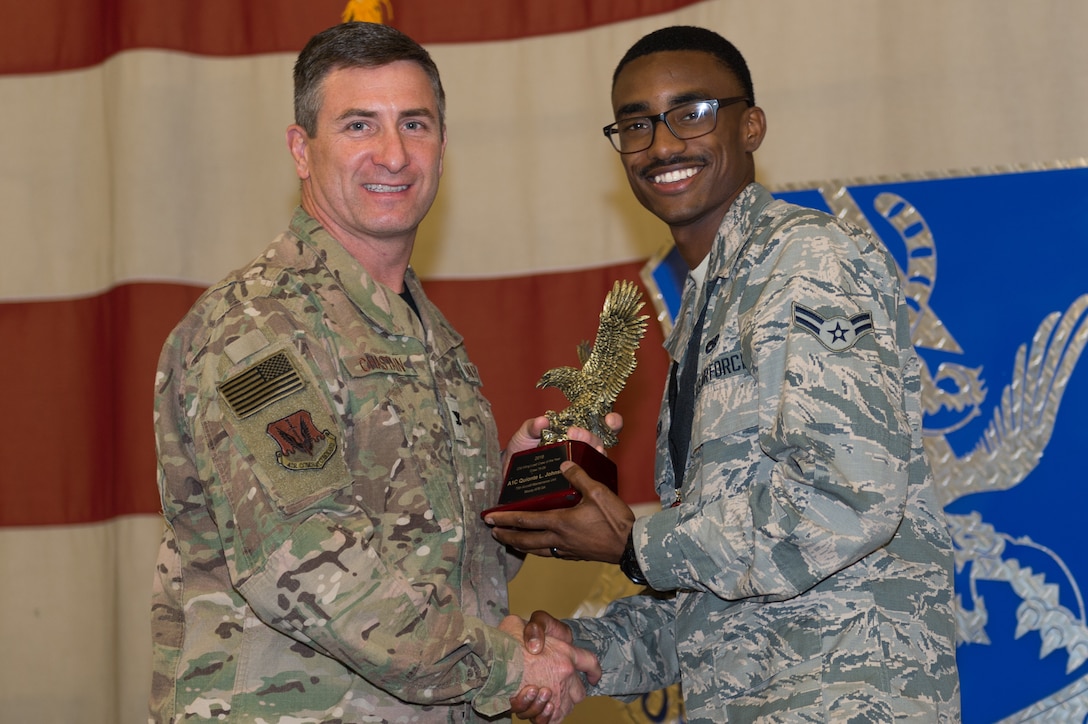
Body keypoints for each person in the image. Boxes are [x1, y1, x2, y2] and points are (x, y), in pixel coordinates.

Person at [487, 25, 961, 722]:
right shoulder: (708, 306)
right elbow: (721, 596)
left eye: (692, 113)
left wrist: (634, 544)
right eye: (636, 124)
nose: (662, 144)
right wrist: (586, 651)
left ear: (752, 126)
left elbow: (846, 500)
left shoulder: (805, 262)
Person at [149, 21, 602, 723]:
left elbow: (439, 561)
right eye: (359, 124)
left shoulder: (426, 333)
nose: (392, 155)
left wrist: (519, 491)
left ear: (442, 149)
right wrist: (509, 666)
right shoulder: (260, 328)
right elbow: (304, 566)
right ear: (302, 150)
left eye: (414, 124)